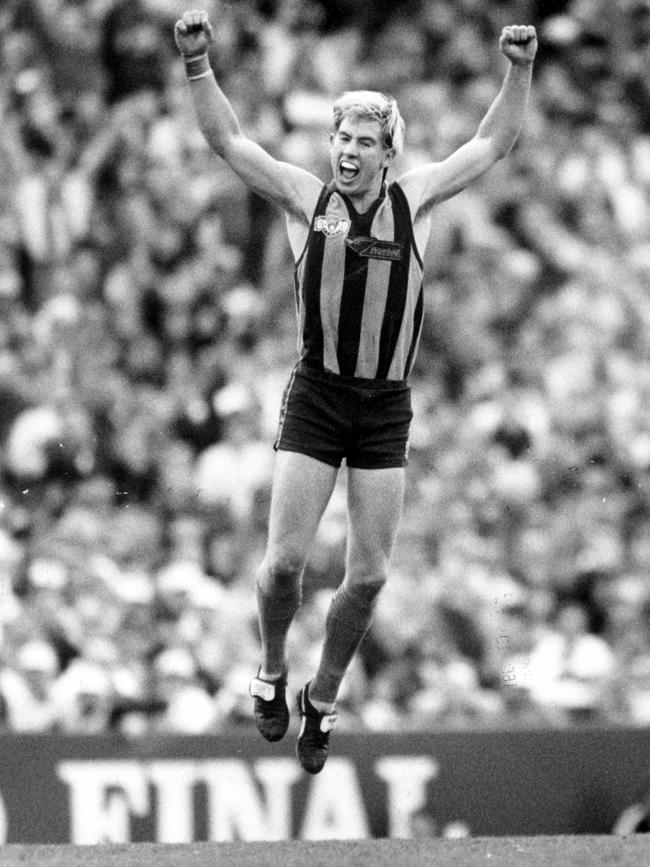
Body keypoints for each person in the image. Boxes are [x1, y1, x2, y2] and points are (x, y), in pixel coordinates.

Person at [173, 8, 537, 774]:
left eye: (365, 142)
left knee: (368, 574)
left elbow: (495, 143)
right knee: (281, 569)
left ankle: (322, 696)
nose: (349, 151)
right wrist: (198, 63)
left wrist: (519, 69)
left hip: (383, 404)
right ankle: (271, 670)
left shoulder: (416, 200)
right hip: (317, 393)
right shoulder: (307, 200)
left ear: (386, 151)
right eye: (342, 138)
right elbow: (227, 141)